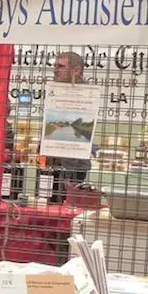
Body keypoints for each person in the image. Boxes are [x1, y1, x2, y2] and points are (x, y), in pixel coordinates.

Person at [47, 50, 90, 204]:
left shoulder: (86, 95)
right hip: (54, 159)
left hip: (74, 162)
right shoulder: (55, 90)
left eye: (60, 66)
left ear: (76, 70)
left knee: (66, 202)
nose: (55, 69)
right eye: (54, 65)